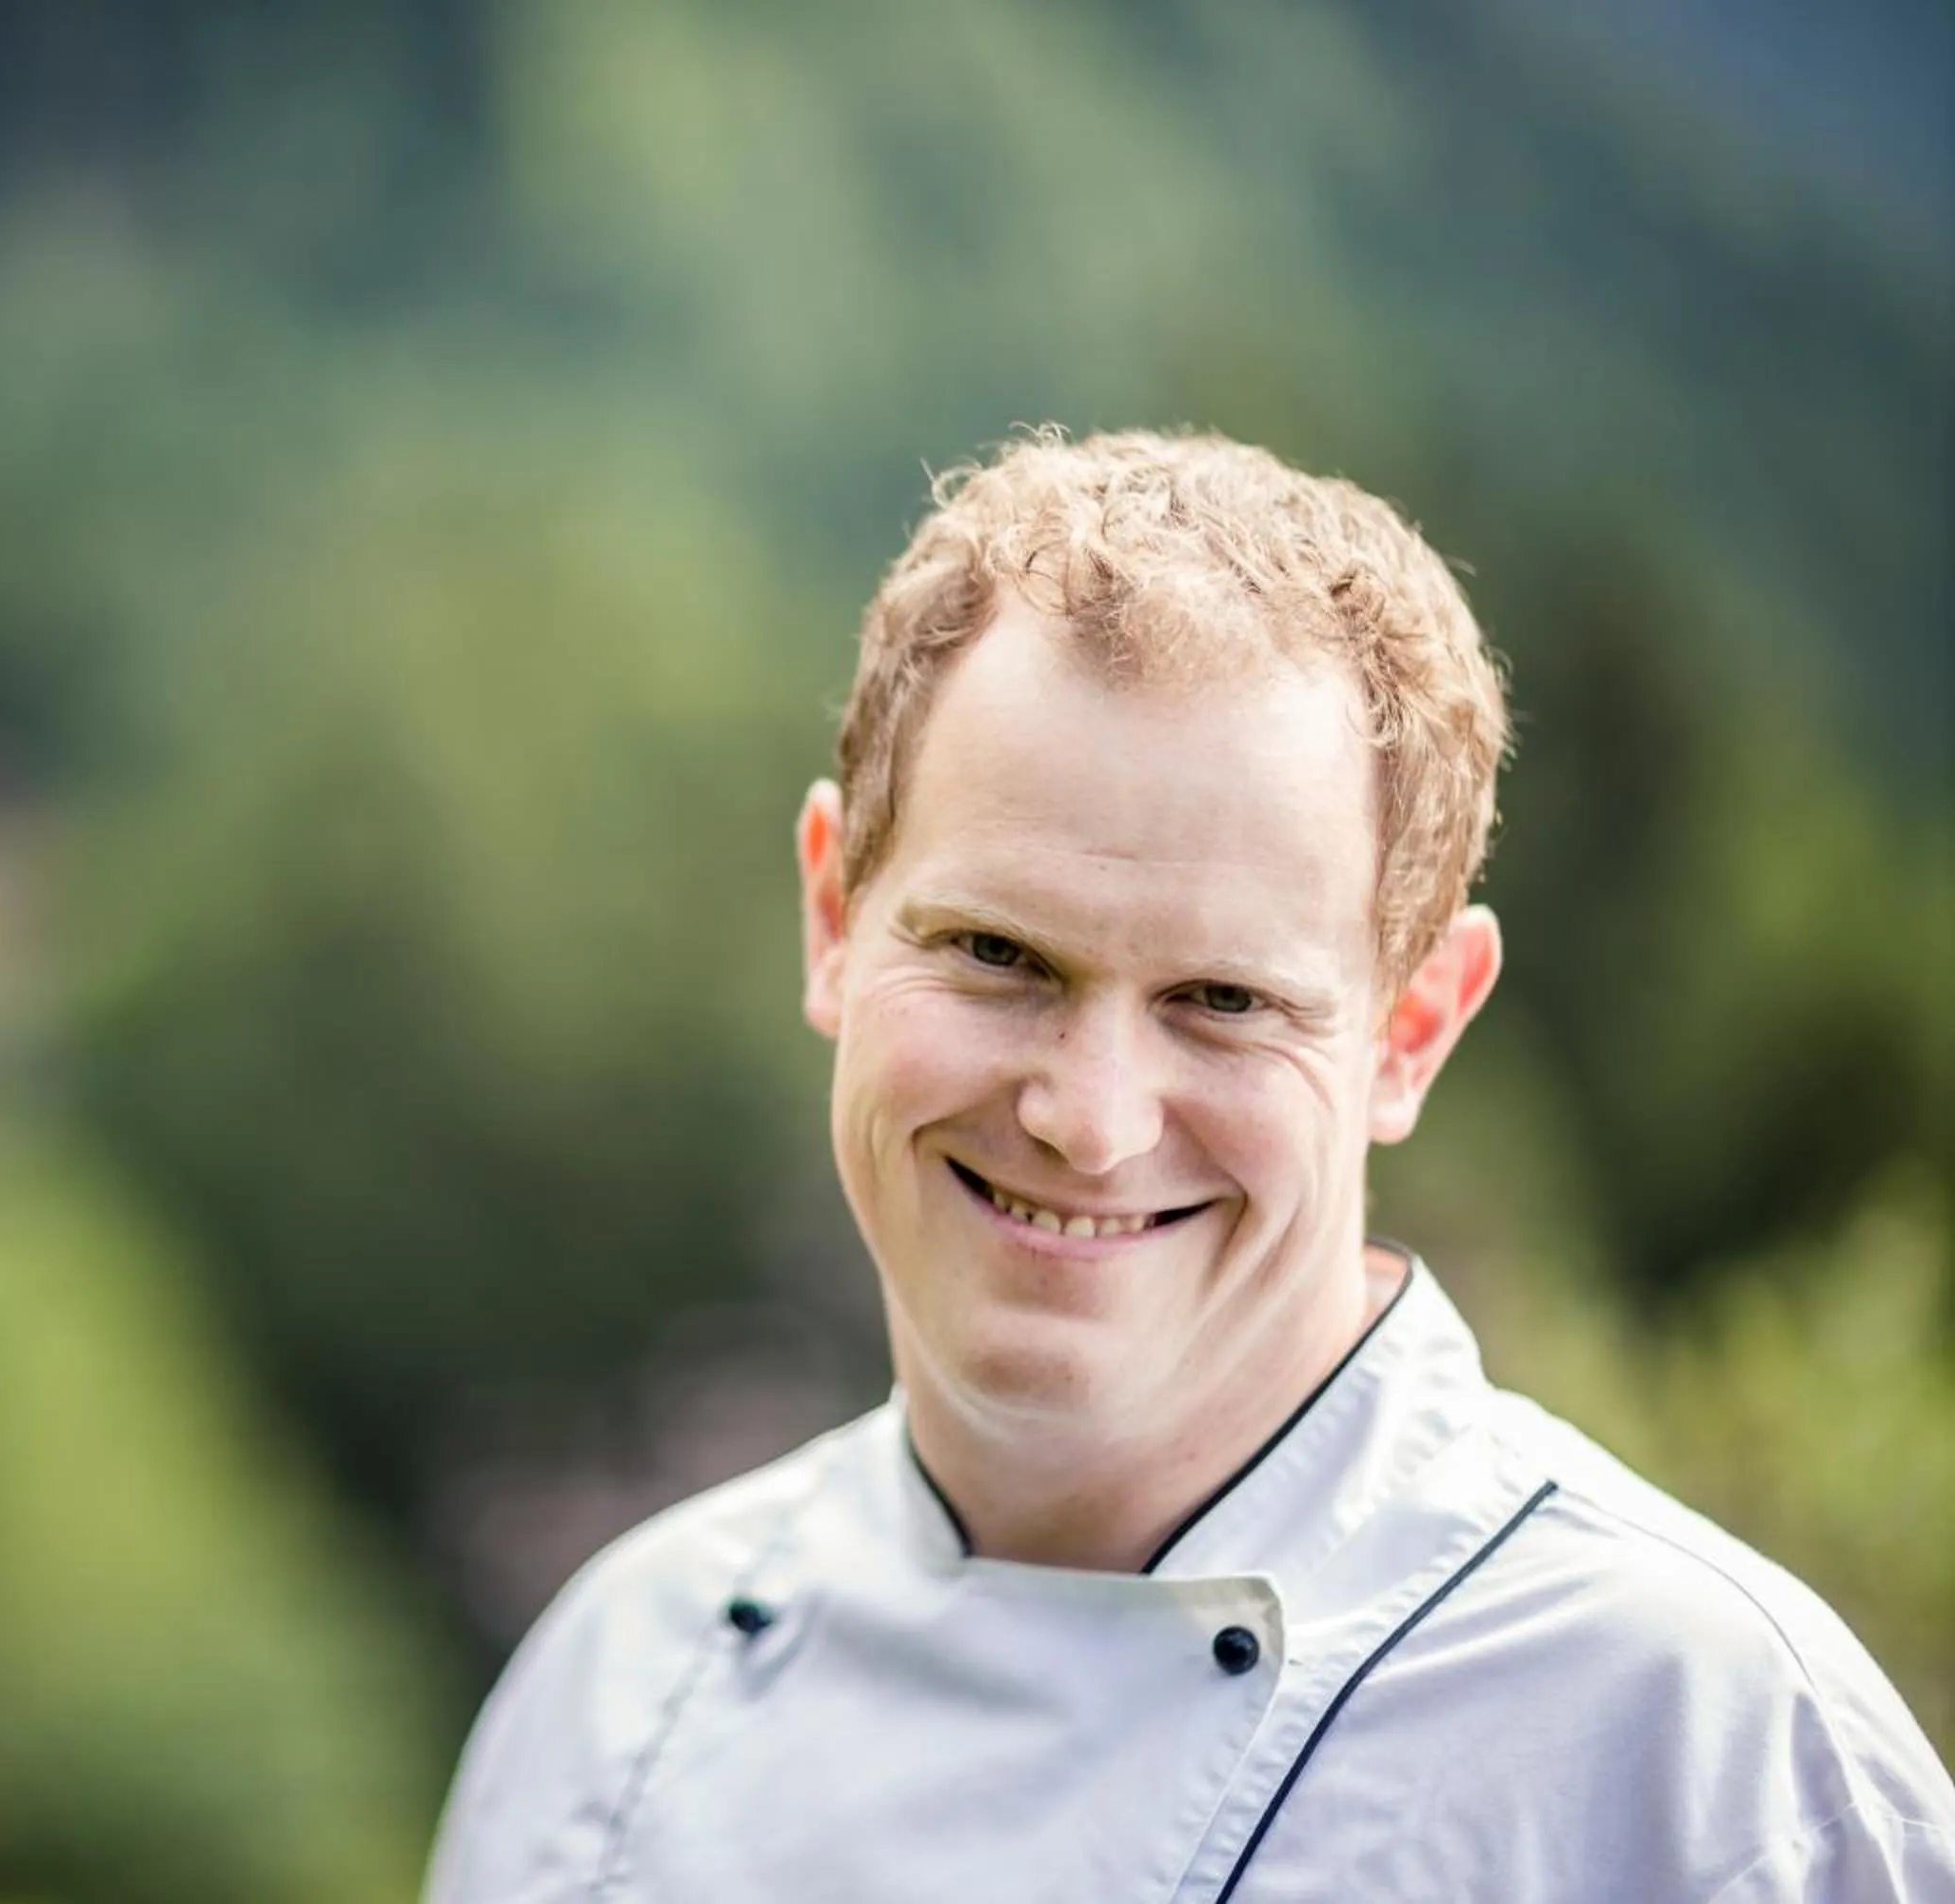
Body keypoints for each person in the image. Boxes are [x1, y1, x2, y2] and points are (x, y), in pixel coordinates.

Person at [423, 430, 1954, 1902]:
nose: (1091, 1120)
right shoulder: (616, 1692)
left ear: (1413, 1030)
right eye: (996, 954)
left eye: (1224, 1001)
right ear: (833, 916)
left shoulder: (1714, 1769)